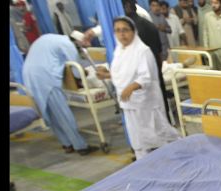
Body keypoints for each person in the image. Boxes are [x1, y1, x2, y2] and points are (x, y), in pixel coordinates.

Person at [96, 16, 180, 160]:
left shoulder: (142, 51)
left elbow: (145, 77)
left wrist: (131, 87)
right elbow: (123, 74)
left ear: (133, 31)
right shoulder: (120, 51)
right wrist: (108, 75)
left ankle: (175, 158)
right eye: (118, 31)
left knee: (158, 133)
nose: (122, 34)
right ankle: (143, 164)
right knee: (138, 138)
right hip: (129, 103)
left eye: (125, 30)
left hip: (146, 102)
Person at [22, 34, 99, 155]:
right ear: (77, 43)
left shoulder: (50, 37)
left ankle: (67, 144)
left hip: (29, 75)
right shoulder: (68, 45)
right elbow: (77, 72)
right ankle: (81, 146)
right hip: (46, 77)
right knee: (62, 113)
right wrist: (87, 73)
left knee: (51, 114)